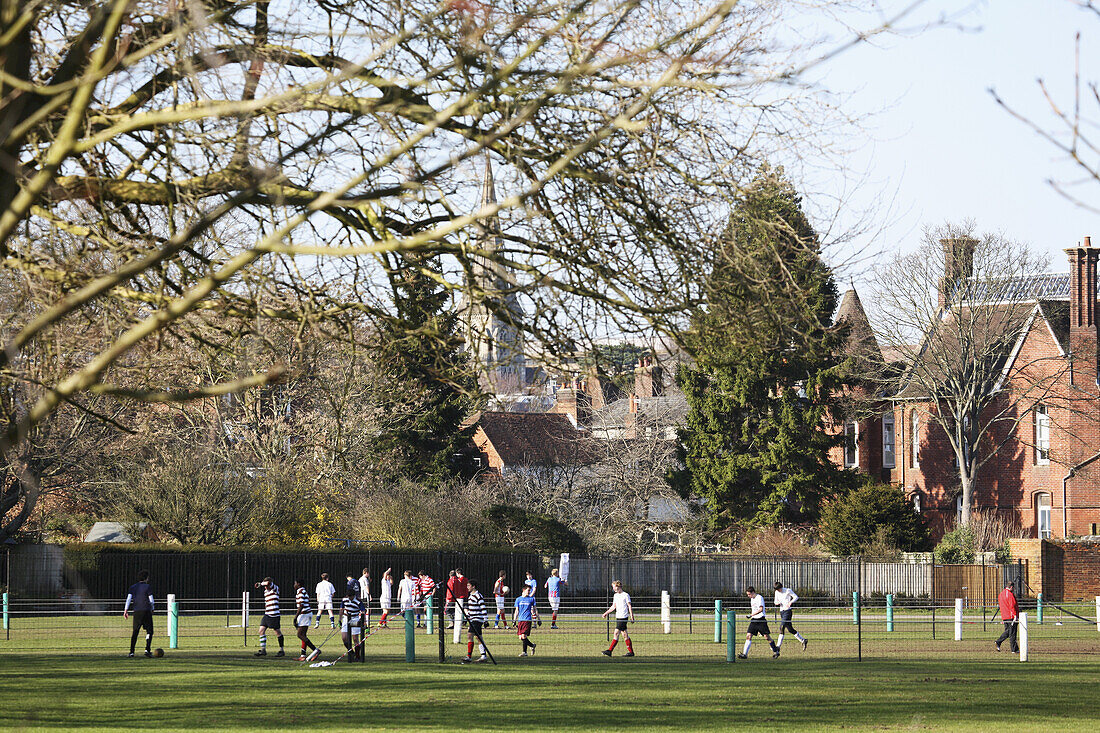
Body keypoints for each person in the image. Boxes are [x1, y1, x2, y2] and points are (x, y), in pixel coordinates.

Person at [738, 586, 779, 659]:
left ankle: (776, 651)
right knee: (748, 636)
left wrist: (751, 615)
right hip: (754, 620)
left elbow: (760, 609)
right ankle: (745, 654)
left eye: (749, 594)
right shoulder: (752, 599)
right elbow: (754, 609)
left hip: (761, 620)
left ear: (753, 592)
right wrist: (752, 615)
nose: (748, 596)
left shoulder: (759, 598)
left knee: (767, 637)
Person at [123, 569, 154, 658]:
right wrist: (152, 608)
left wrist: (126, 610)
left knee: (135, 632)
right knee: (149, 631)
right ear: (146, 578)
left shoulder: (133, 587)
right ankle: (147, 650)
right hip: (146, 611)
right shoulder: (148, 587)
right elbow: (151, 600)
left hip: (137, 612)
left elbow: (129, 599)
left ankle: (132, 652)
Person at [600, 580, 635, 657]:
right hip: (618, 617)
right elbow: (614, 606)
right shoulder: (615, 596)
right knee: (625, 634)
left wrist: (632, 616)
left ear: (618, 586)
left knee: (616, 633)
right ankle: (631, 652)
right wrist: (606, 613)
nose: (613, 589)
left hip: (623, 617)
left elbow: (629, 606)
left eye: (614, 587)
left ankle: (610, 650)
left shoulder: (625, 595)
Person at [254, 577, 285, 657]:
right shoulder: (265, 592)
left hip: (274, 614)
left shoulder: (275, 588)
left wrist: (260, 584)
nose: (265, 587)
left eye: (266, 585)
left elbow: (267, 583)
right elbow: (266, 584)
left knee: (277, 632)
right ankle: (263, 650)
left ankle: (281, 650)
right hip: (267, 614)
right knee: (261, 630)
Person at [773, 581, 808, 652]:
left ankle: (778, 646)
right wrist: (777, 603)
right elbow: (775, 601)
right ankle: (803, 640)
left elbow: (796, 597)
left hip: (787, 611)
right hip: (782, 611)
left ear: (781, 587)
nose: (778, 591)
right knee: (790, 629)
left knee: (782, 627)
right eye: (777, 590)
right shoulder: (776, 592)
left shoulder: (787, 590)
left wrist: (790, 602)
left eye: (779, 589)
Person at [461, 579, 489, 663]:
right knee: (478, 637)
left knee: (470, 635)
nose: (467, 587)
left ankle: (469, 656)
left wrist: (485, 620)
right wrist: (467, 615)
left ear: (474, 586)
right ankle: (483, 655)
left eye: (469, 586)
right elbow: (472, 609)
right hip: (472, 619)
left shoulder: (478, 596)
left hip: (477, 619)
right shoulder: (470, 596)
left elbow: (483, 607)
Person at [294, 578, 319, 661]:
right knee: (303, 635)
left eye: (295, 583)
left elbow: (301, 605)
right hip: (306, 614)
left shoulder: (300, 591)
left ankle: (316, 650)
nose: (294, 585)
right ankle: (303, 655)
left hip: (304, 614)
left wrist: (295, 617)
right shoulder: (303, 591)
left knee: (300, 635)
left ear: (299, 584)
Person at [513, 585, 539, 657]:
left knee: (524, 636)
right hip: (520, 620)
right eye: (528, 590)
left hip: (527, 620)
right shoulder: (518, 599)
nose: (529, 592)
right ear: (523, 590)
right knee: (521, 637)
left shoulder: (531, 599)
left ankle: (524, 652)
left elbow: (535, 609)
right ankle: (532, 645)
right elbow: (516, 610)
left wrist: (538, 619)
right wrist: (514, 620)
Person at [995, 580, 1020, 653]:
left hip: (1004, 616)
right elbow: (1012, 605)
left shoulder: (1001, 594)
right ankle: (1014, 649)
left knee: (1008, 632)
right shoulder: (1010, 594)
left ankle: (999, 642)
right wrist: (1015, 615)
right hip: (1011, 616)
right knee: (1012, 633)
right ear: (1011, 587)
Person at [340, 588, 363, 662]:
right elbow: (341, 609)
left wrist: (364, 621)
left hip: (355, 618)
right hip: (346, 618)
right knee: (344, 638)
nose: (350, 598)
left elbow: (363, 611)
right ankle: (351, 652)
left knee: (355, 638)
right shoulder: (344, 600)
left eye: (351, 596)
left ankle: (357, 656)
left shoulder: (358, 601)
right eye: (349, 596)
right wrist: (339, 620)